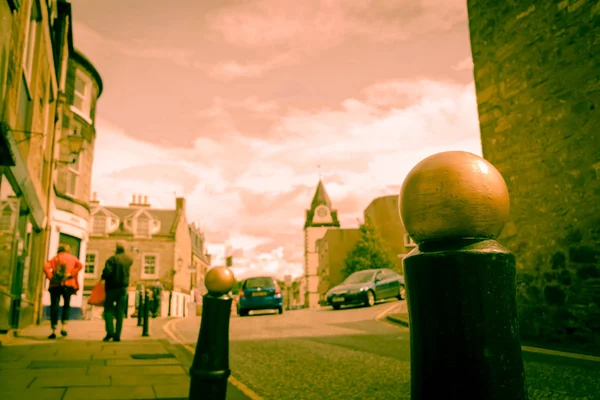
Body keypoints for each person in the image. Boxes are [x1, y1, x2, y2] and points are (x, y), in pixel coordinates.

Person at [43, 243, 83, 339]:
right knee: (66, 305)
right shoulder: (73, 258)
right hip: (68, 285)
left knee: (54, 306)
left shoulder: (55, 258)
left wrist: (51, 277)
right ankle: (64, 327)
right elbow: (80, 265)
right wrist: (71, 274)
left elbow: (46, 267)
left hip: (55, 285)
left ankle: (54, 330)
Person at [101, 241, 132, 342]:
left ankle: (110, 331)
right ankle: (117, 335)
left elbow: (107, 272)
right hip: (123, 288)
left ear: (116, 249)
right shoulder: (129, 260)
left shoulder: (112, 259)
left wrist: (103, 276)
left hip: (111, 288)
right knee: (120, 312)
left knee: (108, 310)